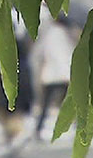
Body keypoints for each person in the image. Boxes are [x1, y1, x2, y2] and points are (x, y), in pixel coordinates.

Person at [0, 11, 35, 158]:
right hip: (21, 78)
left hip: (7, 80)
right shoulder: (20, 42)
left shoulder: (3, 44)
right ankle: (11, 140)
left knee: (6, 109)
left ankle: (18, 135)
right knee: (11, 110)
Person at [32, 13, 78, 141]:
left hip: (52, 74)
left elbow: (42, 53)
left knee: (46, 104)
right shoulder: (66, 34)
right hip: (64, 73)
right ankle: (77, 127)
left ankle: (38, 129)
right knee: (70, 103)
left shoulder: (49, 33)